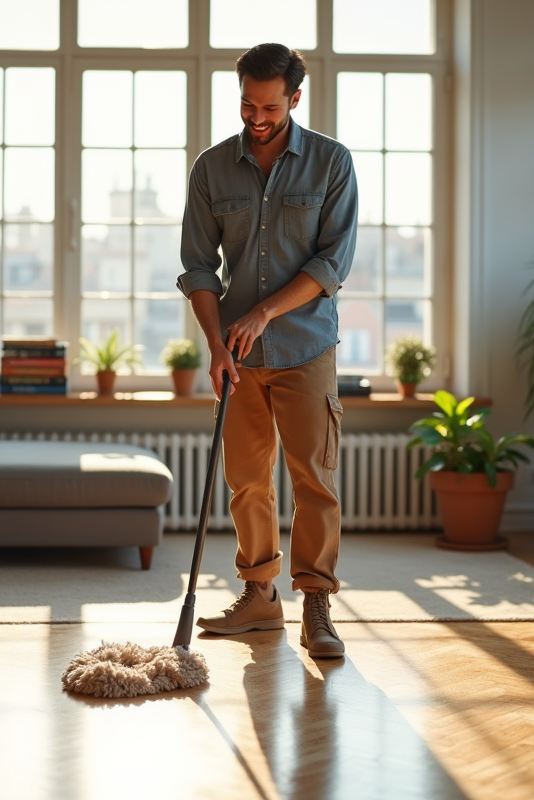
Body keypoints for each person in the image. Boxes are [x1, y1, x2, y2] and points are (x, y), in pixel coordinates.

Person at [177, 42, 358, 658]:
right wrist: (215, 343)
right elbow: (198, 268)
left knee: (314, 480)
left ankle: (316, 605)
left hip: (306, 346)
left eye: (270, 107)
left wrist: (262, 312)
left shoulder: (331, 163)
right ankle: (260, 597)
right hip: (238, 355)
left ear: (295, 99)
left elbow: (332, 261)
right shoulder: (211, 169)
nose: (257, 118)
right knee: (247, 482)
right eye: (248, 104)